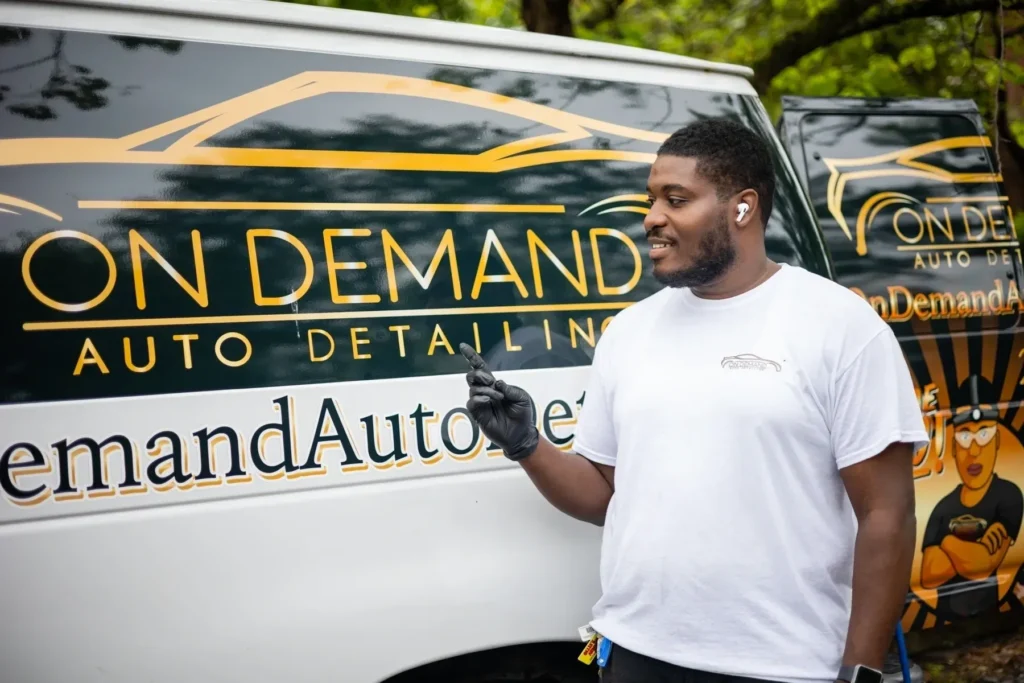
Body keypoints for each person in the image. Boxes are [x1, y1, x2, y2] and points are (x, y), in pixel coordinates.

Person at [459, 117, 928, 683]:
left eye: (675, 199)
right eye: (652, 199)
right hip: (635, 653)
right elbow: (606, 498)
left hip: (783, 666)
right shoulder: (628, 332)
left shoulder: (839, 326)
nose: (653, 217)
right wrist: (528, 446)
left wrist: (862, 671)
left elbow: (888, 516)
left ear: (742, 207)